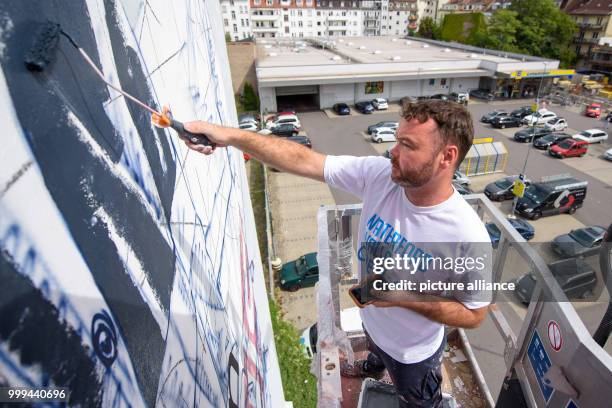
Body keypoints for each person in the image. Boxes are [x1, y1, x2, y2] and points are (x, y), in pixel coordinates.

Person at [181, 100, 491, 408]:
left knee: (419, 403)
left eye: (407, 145)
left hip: (414, 355)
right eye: (397, 140)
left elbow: (475, 314)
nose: (392, 151)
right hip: (372, 323)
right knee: (375, 353)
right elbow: (304, 160)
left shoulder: (466, 234)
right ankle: (371, 367)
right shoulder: (379, 175)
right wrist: (230, 136)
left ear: (446, 157)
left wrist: (401, 295)